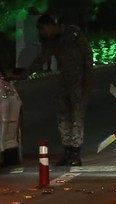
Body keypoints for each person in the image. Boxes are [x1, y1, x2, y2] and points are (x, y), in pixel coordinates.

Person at [23, 13, 94, 166]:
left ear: (50, 25)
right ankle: (67, 151)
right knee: (63, 117)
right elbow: (42, 58)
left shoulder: (73, 33)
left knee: (77, 117)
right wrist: (27, 72)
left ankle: (76, 152)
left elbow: (87, 54)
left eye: (43, 29)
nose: (42, 33)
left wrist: (87, 79)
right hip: (65, 80)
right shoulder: (52, 41)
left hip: (79, 80)